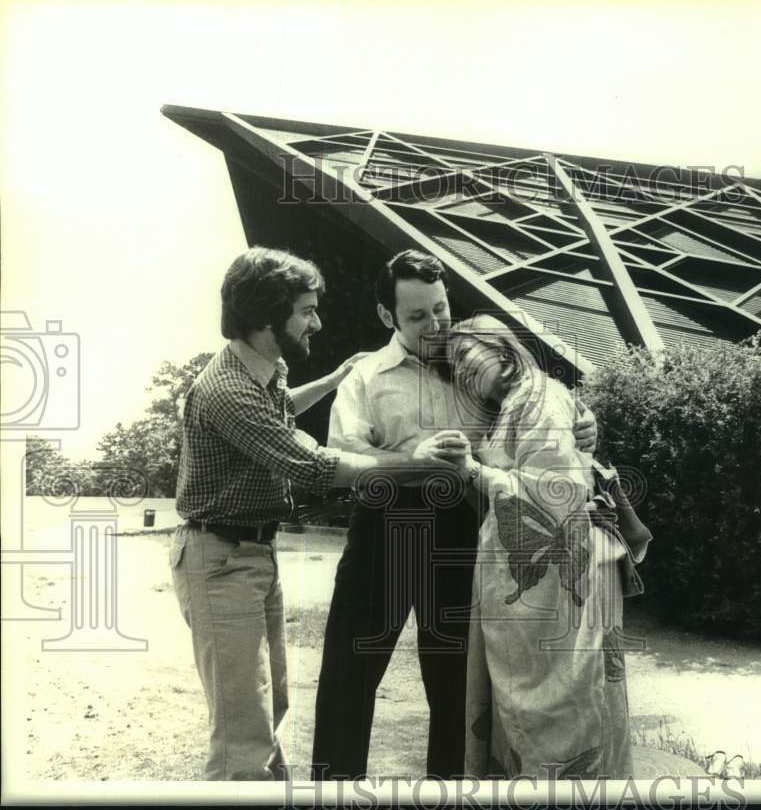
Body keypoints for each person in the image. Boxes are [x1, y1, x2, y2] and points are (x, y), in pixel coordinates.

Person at [169, 247, 456, 781]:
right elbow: (315, 464)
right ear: (265, 318)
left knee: (268, 709)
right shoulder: (230, 391)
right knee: (243, 732)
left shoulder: (262, 368)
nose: (317, 323)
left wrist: (329, 380)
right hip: (220, 558)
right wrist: (418, 464)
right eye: (306, 311)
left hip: (250, 553)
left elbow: (278, 410)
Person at [312, 250, 596, 779]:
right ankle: (333, 793)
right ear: (387, 316)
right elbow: (341, 462)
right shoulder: (366, 376)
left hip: (462, 527)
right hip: (384, 526)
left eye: (440, 308)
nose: (435, 325)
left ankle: (449, 791)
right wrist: (411, 458)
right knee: (349, 675)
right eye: (417, 316)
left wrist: (583, 426)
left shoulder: (474, 362)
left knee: (457, 689)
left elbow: (532, 408)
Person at [428, 314, 635, 779]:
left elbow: (556, 491)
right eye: (453, 365)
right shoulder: (514, 403)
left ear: (502, 348)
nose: (460, 369)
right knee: (538, 710)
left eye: (466, 353)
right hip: (541, 585)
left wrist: (473, 470)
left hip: (561, 586)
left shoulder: (540, 397)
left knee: (565, 706)